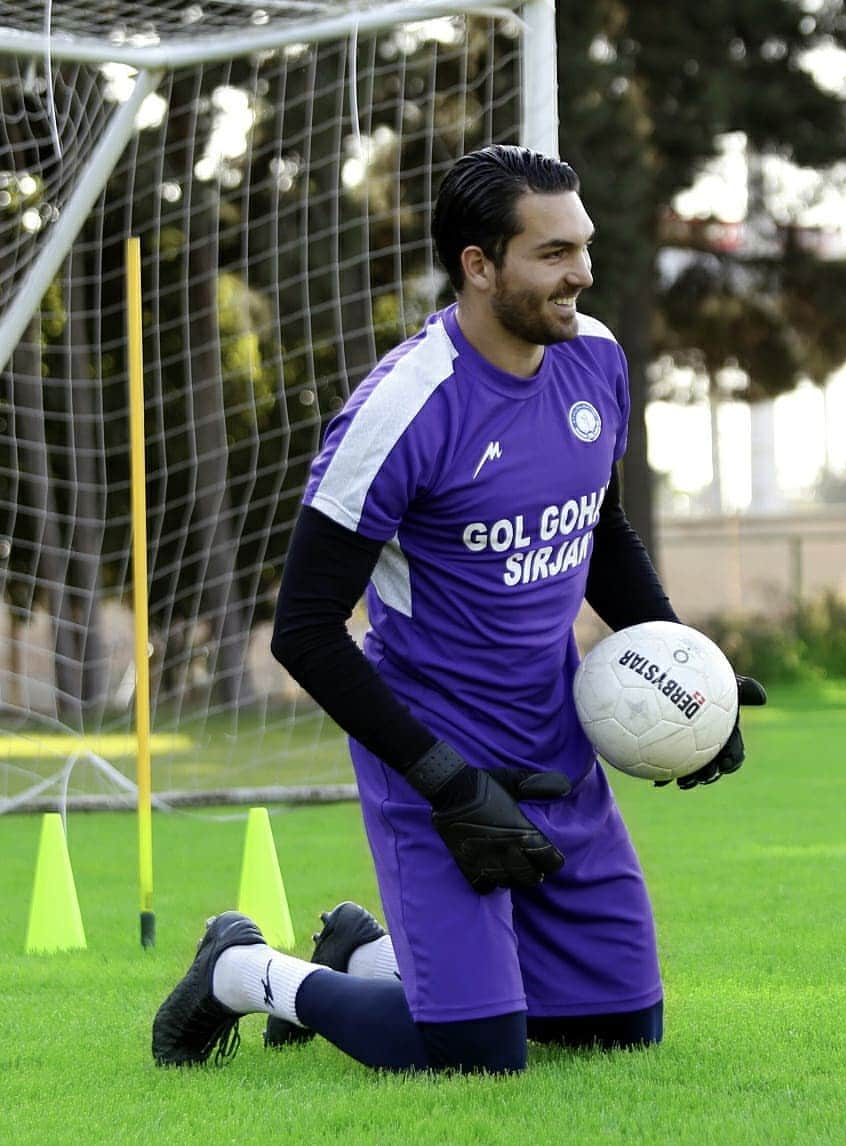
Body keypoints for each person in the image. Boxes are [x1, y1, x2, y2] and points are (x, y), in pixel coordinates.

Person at [152, 145, 766, 1074]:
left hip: (558, 746)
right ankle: (244, 970)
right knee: (476, 1053)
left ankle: (366, 953)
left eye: (584, 248)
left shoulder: (593, 359)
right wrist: (445, 780)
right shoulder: (401, 410)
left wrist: (690, 681)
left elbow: (600, 536)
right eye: (553, 254)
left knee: (615, 1030)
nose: (582, 274)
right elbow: (305, 631)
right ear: (479, 266)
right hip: (430, 758)